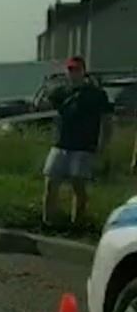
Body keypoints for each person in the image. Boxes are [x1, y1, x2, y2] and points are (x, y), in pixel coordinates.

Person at [42, 56, 114, 228]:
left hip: (83, 146)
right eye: (70, 70)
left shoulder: (96, 94)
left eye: (76, 70)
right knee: (50, 182)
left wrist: (102, 146)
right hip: (61, 143)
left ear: (84, 72)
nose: (73, 74)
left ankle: (77, 223)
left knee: (78, 185)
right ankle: (48, 221)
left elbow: (106, 120)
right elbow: (45, 104)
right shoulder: (62, 92)